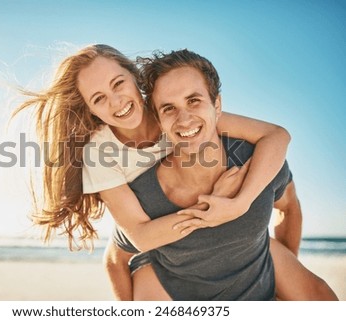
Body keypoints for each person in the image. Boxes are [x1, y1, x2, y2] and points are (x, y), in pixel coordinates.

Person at [12, 44, 336, 300]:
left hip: (208, 222)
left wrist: (241, 203)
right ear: (91, 109)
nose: (116, 102)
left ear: (134, 78)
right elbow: (139, 236)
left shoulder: (175, 109)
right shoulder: (100, 153)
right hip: (154, 233)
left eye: (118, 84)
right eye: (99, 98)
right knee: (121, 253)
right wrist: (214, 206)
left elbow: (276, 136)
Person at [104, 49, 338, 300]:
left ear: (217, 106)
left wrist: (280, 273)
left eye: (194, 101)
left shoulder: (257, 161)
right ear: (159, 121)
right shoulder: (146, 194)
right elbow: (115, 260)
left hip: (255, 274)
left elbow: (289, 207)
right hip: (175, 286)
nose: (184, 119)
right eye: (169, 108)